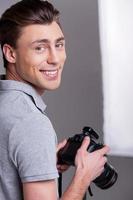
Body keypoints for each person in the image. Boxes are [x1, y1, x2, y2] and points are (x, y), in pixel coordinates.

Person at [0, 0, 109, 199]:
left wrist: (43, 164)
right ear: (10, 53)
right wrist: (83, 177)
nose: (55, 58)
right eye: (40, 48)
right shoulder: (31, 123)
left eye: (58, 44)